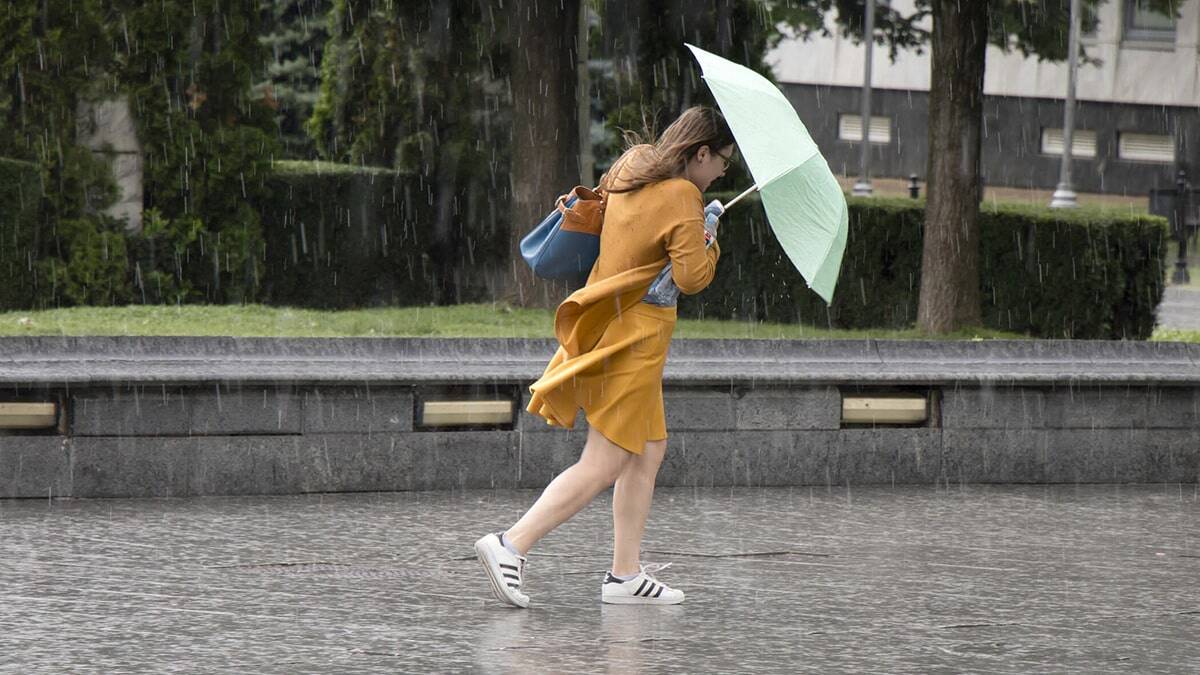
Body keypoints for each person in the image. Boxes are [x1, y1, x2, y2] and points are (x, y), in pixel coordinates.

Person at [475, 106, 735, 608]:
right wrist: (708, 238)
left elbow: (633, 243)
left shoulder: (633, 164)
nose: (722, 171)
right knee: (605, 460)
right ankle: (511, 544)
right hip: (636, 339)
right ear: (701, 153)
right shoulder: (684, 195)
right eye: (722, 160)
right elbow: (691, 279)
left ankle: (625, 575)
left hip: (609, 320)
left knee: (648, 450)